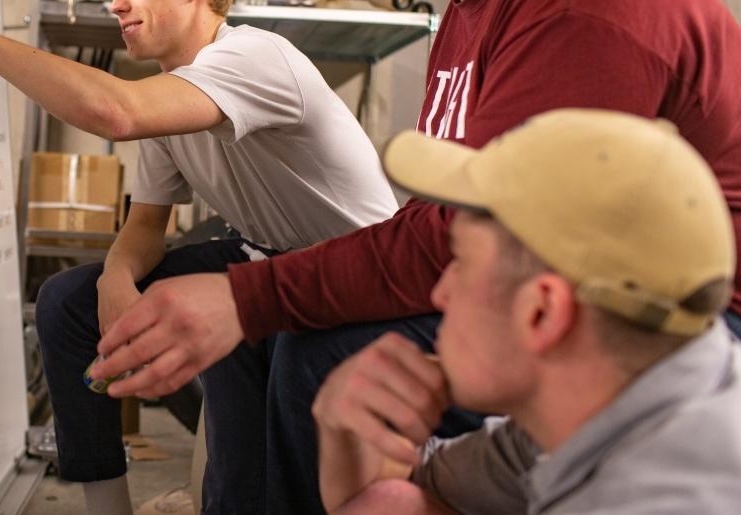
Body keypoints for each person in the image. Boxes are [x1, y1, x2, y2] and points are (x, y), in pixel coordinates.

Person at [90, 0, 741, 511]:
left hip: (689, 327)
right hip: (579, 292)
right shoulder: (468, 9)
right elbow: (438, 220)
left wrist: (246, 297)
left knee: (315, 352)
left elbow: (484, 238)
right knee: (279, 343)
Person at [0, 0, 398, 514]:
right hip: (262, 260)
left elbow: (115, 113)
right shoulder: (172, 94)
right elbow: (145, 227)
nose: (117, 2)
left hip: (358, 275)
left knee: (245, 493)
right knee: (69, 303)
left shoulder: (254, 58)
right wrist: (116, 277)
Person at [315, 107, 741, 514]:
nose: (441, 293)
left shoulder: (655, 498)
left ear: (542, 312)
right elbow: (387, 498)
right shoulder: (605, 409)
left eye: (460, 261)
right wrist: (344, 431)